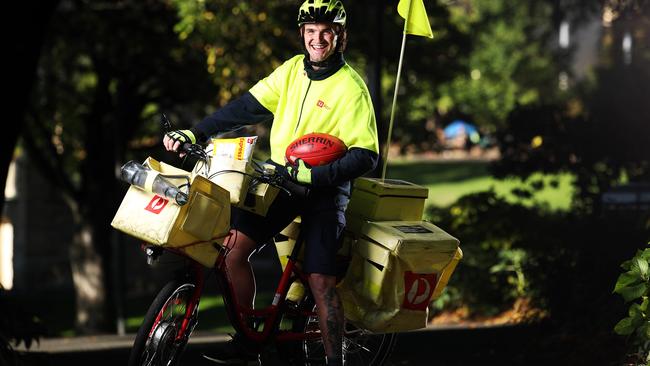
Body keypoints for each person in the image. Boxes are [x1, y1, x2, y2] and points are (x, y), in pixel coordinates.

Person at [163, 1, 379, 365]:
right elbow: (245, 108)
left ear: (340, 36)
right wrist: (195, 131)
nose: (317, 38)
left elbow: (366, 155)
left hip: (327, 191)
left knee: (319, 280)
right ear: (302, 35)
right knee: (231, 252)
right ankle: (248, 341)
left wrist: (317, 175)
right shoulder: (292, 70)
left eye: (326, 31)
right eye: (310, 31)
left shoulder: (351, 88)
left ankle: (334, 360)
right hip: (283, 181)